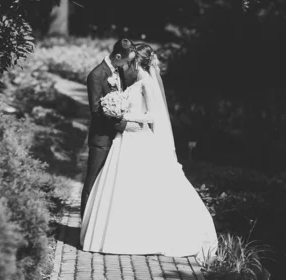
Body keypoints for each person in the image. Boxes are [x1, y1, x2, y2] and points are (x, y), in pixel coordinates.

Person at [80, 43, 218, 264]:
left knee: (135, 187)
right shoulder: (133, 81)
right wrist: (117, 110)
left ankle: (133, 236)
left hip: (135, 135)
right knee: (120, 186)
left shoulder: (146, 83)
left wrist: (128, 119)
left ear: (135, 62)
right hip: (124, 138)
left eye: (130, 62)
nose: (126, 66)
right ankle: (114, 232)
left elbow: (154, 116)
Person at [81, 38, 136, 219]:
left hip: (117, 139)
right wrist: (123, 125)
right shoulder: (96, 75)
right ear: (118, 56)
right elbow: (96, 111)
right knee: (93, 182)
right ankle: (84, 227)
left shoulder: (119, 71)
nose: (128, 64)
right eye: (127, 60)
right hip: (101, 138)